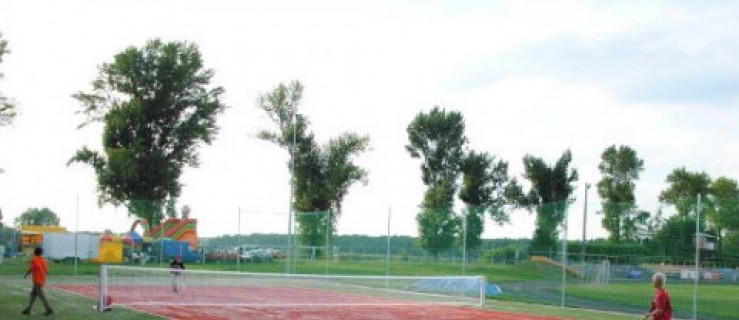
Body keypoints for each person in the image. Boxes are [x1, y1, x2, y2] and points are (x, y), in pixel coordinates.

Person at [22, 247, 53, 316]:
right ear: (41, 253)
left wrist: (26, 275)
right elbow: (46, 270)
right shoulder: (44, 260)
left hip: (37, 280)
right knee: (33, 294)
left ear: (35, 252)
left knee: (41, 295)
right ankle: (28, 309)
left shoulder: (34, 260)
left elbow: (31, 268)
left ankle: (48, 309)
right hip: (42, 279)